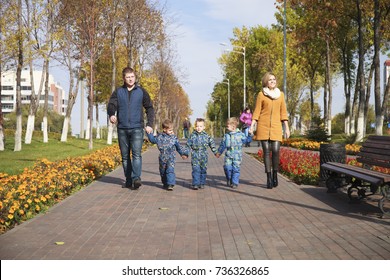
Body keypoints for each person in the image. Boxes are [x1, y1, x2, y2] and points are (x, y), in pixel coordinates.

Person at [107, 67, 155, 190]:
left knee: (137, 155)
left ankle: (136, 178)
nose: (130, 79)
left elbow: (149, 108)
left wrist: (150, 124)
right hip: (122, 128)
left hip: (137, 128)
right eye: (128, 77)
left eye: (132, 77)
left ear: (135, 77)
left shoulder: (141, 92)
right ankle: (128, 180)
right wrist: (112, 114)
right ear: (124, 78)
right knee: (125, 156)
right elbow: (111, 105)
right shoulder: (118, 92)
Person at [249, 72, 290, 189]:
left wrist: (286, 127)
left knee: (276, 150)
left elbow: (283, 112)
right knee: (266, 151)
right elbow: (257, 111)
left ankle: (275, 174)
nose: (272, 81)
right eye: (270, 80)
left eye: (274, 79)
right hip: (263, 126)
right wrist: (252, 125)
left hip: (276, 126)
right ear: (266, 82)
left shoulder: (280, 95)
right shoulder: (261, 94)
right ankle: (268, 177)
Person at [146, 119, 189, 191]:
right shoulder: (159, 137)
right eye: (170, 130)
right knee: (162, 171)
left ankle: (170, 184)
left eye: (172, 130)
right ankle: (165, 183)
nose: (172, 132)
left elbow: (178, 147)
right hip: (162, 157)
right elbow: (152, 140)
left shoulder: (174, 138)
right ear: (164, 129)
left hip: (171, 157)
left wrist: (183, 154)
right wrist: (149, 133)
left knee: (170, 170)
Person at [186, 118, 218, 190]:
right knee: (196, 169)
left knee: (203, 170)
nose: (198, 128)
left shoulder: (207, 136)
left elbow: (212, 144)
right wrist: (185, 153)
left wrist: (216, 152)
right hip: (195, 155)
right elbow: (188, 145)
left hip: (204, 156)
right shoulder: (192, 135)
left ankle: (202, 183)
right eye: (197, 126)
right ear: (195, 126)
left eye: (200, 126)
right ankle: (196, 184)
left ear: (204, 127)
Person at [216, 117, 246, 189]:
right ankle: (229, 178)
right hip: (228, 155)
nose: (227, 127)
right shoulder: (226, 136)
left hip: (237, 156)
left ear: (233, 126)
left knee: (236, 169)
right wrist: (219, 152)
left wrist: (250, 136)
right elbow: (223, 144)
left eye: (228, 125)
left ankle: (234, 182)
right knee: (227, 167)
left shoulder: (240, 134)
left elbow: (246, 141)